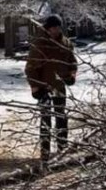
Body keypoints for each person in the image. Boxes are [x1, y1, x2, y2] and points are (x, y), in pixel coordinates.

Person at [25, 14, 77, 160]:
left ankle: (62, 147)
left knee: (61, 116)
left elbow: (72, 61)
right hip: (44, 87)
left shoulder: (65, 43)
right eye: (52, 27)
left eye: (57, 27)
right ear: (47, 28)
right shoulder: (40, 44)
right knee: (46, 118)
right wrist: (35, 87)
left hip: (59, 86)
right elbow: (30, 68)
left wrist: (71, 75)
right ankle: (45, 152)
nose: (55, 30)